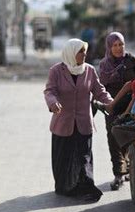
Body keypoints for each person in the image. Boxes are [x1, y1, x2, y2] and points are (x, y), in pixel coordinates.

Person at [44, 38, 112, 202]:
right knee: (63, 156)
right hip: (63, 122)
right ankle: (65, 185)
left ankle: (86, 186)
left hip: (83, 122)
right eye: (80, 51)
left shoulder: (89, 70)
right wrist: (53, 103)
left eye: (84, 51)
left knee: (84, 156)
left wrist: (110, 102)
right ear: (70, 53)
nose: (84, 54)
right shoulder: (56, 71)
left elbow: (99, 90)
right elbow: (49, 91)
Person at [98, 32, 135, 188]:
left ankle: (130, 167)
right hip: (113, 104)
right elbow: (101, 87)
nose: (118, 48)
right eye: (114, 45)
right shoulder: (104, 64)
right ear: (109, 47)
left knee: (131, 135)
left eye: (121, 44)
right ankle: (118, 173)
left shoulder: (133, 60)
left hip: (133, 104)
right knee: (113, 137)